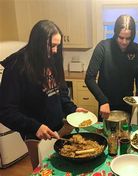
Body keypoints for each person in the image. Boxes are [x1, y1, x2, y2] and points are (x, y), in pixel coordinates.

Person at [0, 20, 87, 168]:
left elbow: (61, 92)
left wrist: (72, 109)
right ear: (37, 43)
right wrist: (35, 127)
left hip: (59, 129)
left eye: (57, 46)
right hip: (36, 136)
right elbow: (5, 111)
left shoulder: (52, 58)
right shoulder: (16, 66)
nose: (55, 50)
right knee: (43, 170)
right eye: (52, 45)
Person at [85, 15, 138, 121]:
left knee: (124, 134)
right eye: (121, 37)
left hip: (127, 101)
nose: (124, 42)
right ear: (115, 33)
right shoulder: (103, 47)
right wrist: (103, 101)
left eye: (128, 38)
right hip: (106, 101)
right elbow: (89, 78)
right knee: (105, 133)